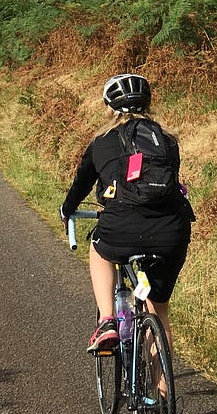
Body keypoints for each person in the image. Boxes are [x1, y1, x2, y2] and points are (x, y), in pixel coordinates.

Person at [59, 73, 193, 355]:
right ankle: (163, 396)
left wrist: (67, 209)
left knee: (98, 248)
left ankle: (107, 320)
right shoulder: (167, 140)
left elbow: (81, 183)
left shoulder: (102, 142)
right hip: (171, 231)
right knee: (159, 314)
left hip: (121, 227)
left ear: (110, 106)